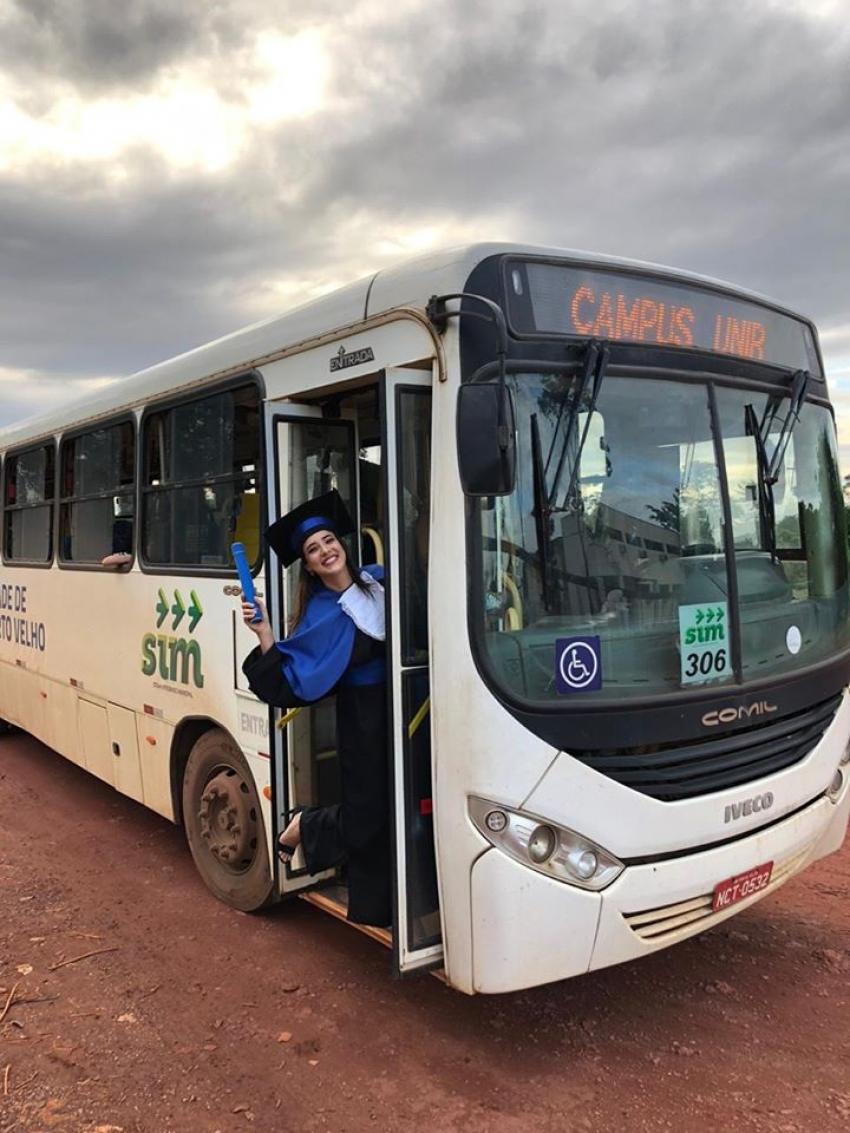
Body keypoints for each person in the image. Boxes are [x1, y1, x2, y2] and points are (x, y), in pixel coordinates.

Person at [239, 490, 390, 927]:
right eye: (312, 549)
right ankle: (307, 826)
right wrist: (264, 632)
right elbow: (291, 679)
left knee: (404, 804)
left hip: (405, 708)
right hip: (362, 720)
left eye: (328, 540)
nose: (325, 551)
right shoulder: (321, 614)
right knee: (367, 817)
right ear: (307, 565)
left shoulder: (380, 580)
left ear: (341, 543)